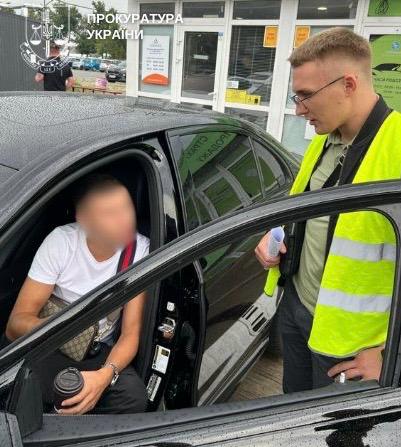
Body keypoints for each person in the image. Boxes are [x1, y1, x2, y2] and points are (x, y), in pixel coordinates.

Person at [255, 27, 401, 393]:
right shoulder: (326, 139)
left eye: (306, 96)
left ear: (348, 85)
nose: (298, 109)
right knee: (291, 409)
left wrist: (391, 353)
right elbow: (304, 213)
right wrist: (275, 236)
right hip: (297, 310)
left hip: (352, 347)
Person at [6, 173, 149, 414]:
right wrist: (65, 331)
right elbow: (15, 325)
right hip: (50, 343)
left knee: (133, 398)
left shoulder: (139, 251)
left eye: (126, 208)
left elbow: (130, 334)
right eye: (109, 213)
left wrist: (104, 376)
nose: (123, 221)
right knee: (19, 387)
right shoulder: (61, 243)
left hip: (98, 352)